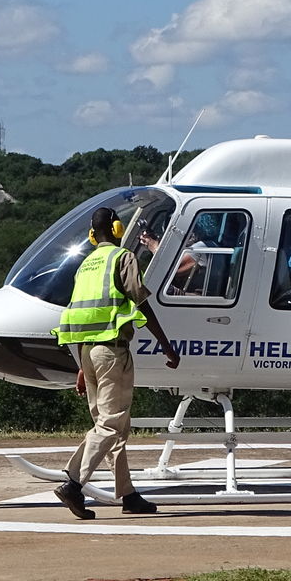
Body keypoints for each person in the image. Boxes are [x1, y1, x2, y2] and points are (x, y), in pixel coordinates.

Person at [52, 207, 181, 519]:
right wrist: (165, 344)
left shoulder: (86, 265)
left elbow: (83, 314)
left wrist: (83, 366)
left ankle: (128, 493)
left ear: (93, 234)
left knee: (116, 428)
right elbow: (140, 300)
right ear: (118, 227)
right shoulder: (122, 258)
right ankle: (73, 482)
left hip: (88, 352)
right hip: (112, 351)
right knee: (110, 424)